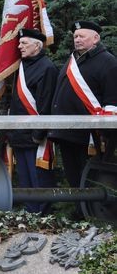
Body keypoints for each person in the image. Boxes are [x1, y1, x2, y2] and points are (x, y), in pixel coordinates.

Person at [50, 21, 117, 190]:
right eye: (75, 36)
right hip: (66, 131)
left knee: (89, 177)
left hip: (89, 134)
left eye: (81, 36)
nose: (77, 39)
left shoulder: (108, 61)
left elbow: (112, 98)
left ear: (96, 38)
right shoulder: (73, 60)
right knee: (73, 176)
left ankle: (90, 212)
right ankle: (79, 210)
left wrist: (107, 132)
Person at [7, 29, 58, 213]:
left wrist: (38, 133)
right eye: (19, 43)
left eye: (24, 43)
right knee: (25, 179)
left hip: (36, 135)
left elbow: (46, 103)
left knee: (40, 178)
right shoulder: (20, 66)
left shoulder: (47, 68)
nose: (19, 46)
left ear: (37, 45)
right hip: (19, 133)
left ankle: (42, 215)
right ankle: (30, 213)